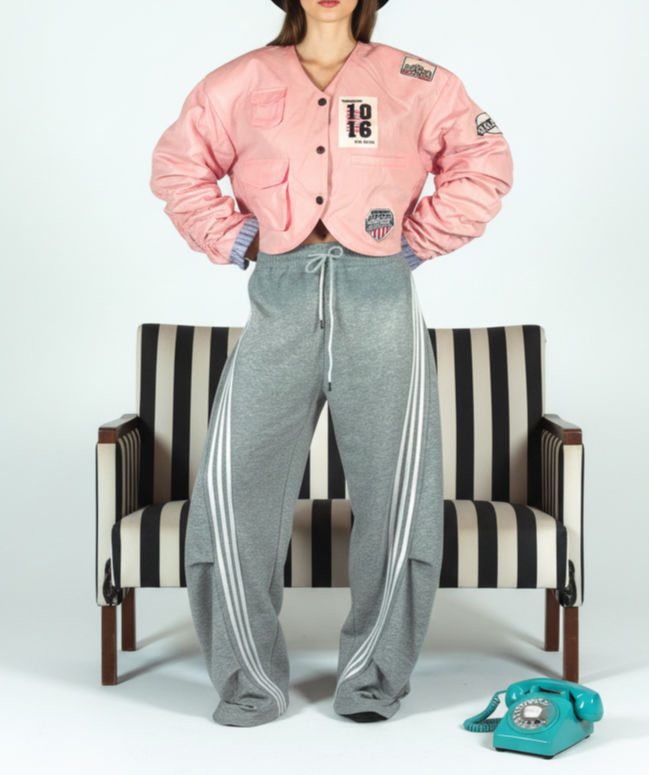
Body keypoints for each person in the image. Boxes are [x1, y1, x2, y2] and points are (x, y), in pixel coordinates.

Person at [150, 0, 513, 727]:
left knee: (398, 497)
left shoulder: (416, 79)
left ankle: (372, 678)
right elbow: (177, 167)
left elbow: (485, 159)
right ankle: (248, 679)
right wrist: (239, 237)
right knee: (232, 492)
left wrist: (419, 239)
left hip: (379, 299)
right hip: (280, 298)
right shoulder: (236, 81)